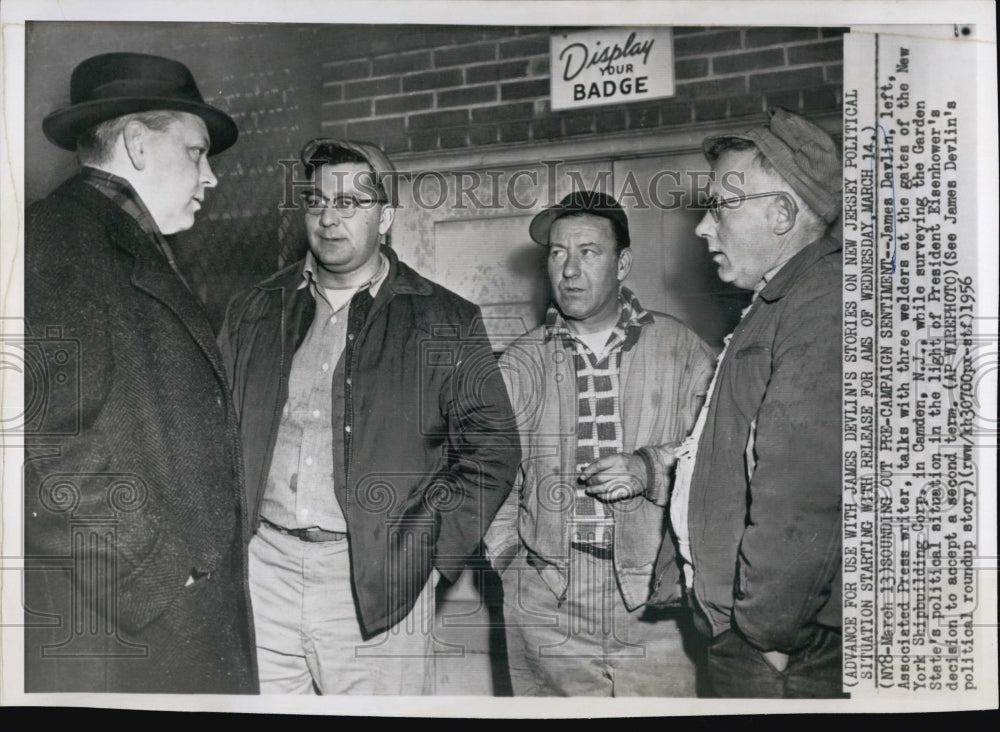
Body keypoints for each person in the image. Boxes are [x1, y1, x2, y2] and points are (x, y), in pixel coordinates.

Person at [217, 138, 520, 695]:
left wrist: (427, 554)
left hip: (376, 581)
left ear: (387, 217)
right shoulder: (255, 309)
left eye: (351, 203)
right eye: (316, 201)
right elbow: (213, 432)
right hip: (264, 572)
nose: (329, 218)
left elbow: (492, 450)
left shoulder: (445, 320)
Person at [24, 52, 256, 693]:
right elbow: (39, 448)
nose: (210, 178)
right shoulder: (58, 241)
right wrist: (159, 574)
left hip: (159, 622)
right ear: (134, 143)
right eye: (197, 152)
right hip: (123, 635)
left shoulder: (112, 240)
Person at [483, 191, 715, 696]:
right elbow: (491, 475)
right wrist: (508, 563)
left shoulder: (682, 349)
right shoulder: (518, 363)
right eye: (557, 253)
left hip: (656, 598)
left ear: (623, 262)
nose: (569, 269)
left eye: (587, 252)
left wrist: (651, 469)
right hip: (548, 596)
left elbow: (721, 459)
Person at [652, 108, 843, 698]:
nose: (703, 229)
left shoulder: (822, 302)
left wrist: (768, 635)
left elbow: (803, 490)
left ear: (781, 213)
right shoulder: (780, 302)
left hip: (778, 648)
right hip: (754, 633)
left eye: (721, 207)